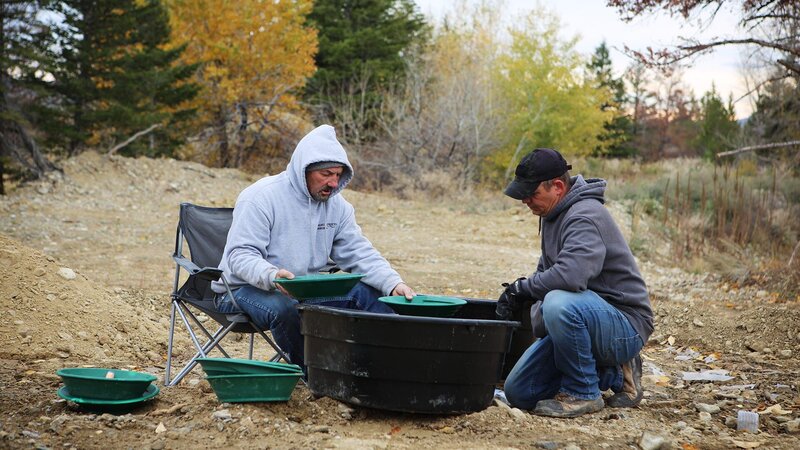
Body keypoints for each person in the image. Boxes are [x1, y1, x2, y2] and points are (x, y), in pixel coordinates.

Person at [211, 124, 415, 368]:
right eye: (326, 174)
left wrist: (393, 283)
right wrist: (272, 275)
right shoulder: (261, 197)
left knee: (369, 293)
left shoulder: (338, 207)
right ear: (304, 169)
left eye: (338, 175)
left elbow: (359, 252)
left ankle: (389, 367)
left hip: (304, 289)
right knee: (285, 308)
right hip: (242, 290)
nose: (333, 182)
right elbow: (240, 255)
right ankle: (317, 375)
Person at [497, 148, 653, 418]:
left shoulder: (585, 215)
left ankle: (582, 392)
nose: (524, 200)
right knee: (519, 391)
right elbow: (545, 275)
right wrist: (531, 306)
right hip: (586, 320)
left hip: (625, 325)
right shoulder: (551, 215)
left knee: (558, 302)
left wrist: (523, 288)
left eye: (531, 193)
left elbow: (570, 277)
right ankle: (615, 374)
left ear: (557, 186)